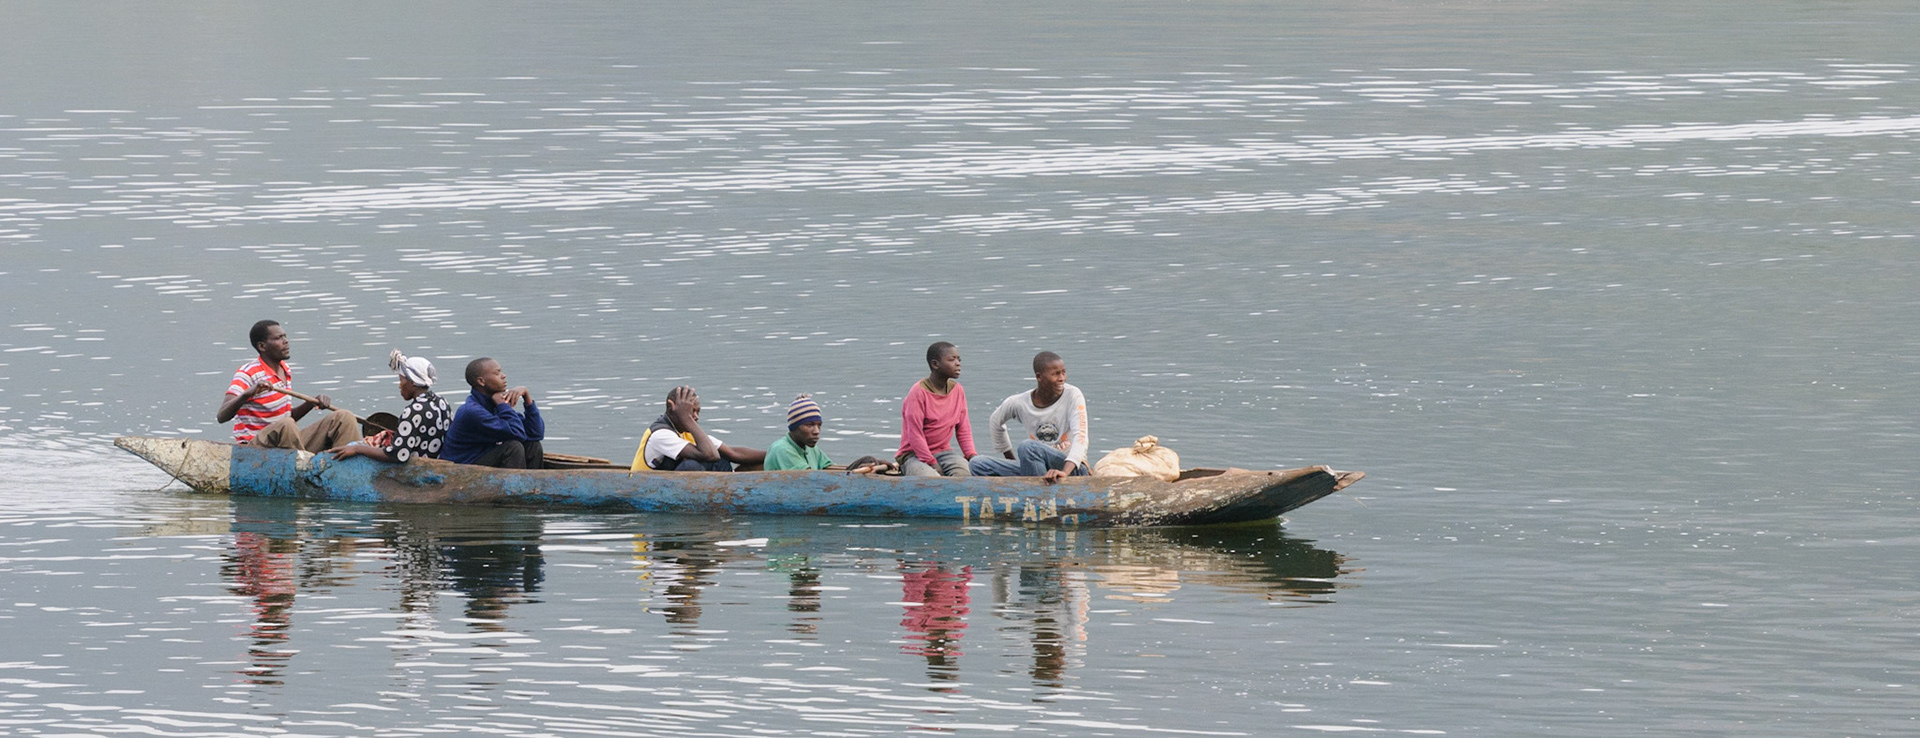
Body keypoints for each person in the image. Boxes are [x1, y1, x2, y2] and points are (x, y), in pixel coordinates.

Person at [218, 319, 358, 451]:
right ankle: (301, 467)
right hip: (256, 449)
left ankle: (346, 466)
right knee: (287, 425)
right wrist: (247, 394)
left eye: (285, 336)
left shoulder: (285, 370)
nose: (286, 342)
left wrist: (310, 403)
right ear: (262, 346)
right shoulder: (248, 373)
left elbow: (284, 417)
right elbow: (222, 416)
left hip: (284, 442)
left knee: (344, 417)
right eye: (279, 338)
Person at [969, 351, 1089, 483]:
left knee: (1028, 447)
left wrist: (1064, 472)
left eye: (1063, 372)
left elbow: (1080, 437)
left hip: (1071, 468)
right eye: (1055, 374)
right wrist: (1010, 457)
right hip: (1036, 469)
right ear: (1039, 377)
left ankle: (1041, 498)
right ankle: (1036, 490)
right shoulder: (1020, 402)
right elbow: (995, 421)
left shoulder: (1072, 395)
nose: (1062, 378)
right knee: (977, 464)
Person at [327, 350, 452, 464]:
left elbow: (397, 455)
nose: (399, 385)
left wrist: (358, 449)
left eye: (401, 380)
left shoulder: (413, 411)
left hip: (419, 466)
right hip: (435, 460)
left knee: (355, 446)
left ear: (412, 382)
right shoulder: (442, 402)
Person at [441, 357, 545, 469]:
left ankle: (533, 484)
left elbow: (535, 434)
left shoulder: (494, 403)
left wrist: (527, 398)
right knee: (512, 447)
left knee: (533, 445)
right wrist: (503, 406)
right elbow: (517, 432)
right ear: (481, 381)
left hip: (482, 458)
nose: (503, 376)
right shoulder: (472, 411)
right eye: (497, 373)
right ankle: (517, 486)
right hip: (461, 467)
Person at [632, 386, 766, 472]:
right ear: (672, 408)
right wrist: (686, 419)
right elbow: (709, 454)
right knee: (692, 466)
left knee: (722, 460)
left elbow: (732, 453)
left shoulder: (687, 432)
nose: (695, 417)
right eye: (690, 412)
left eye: (698, 412)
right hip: (646, 486)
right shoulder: (660, 435)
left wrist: (772, 453)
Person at [896, 341, 975, 477]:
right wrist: (931, 462)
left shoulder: (958, 390)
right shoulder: (918, 393)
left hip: (943, 452)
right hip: (914, 455)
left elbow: (963, 430)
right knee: (931, 480)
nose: (958, 363)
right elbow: (915, 434)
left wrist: (972, 456)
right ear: (935, 364)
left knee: (965, 475)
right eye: (952, 359)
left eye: (959, 359)